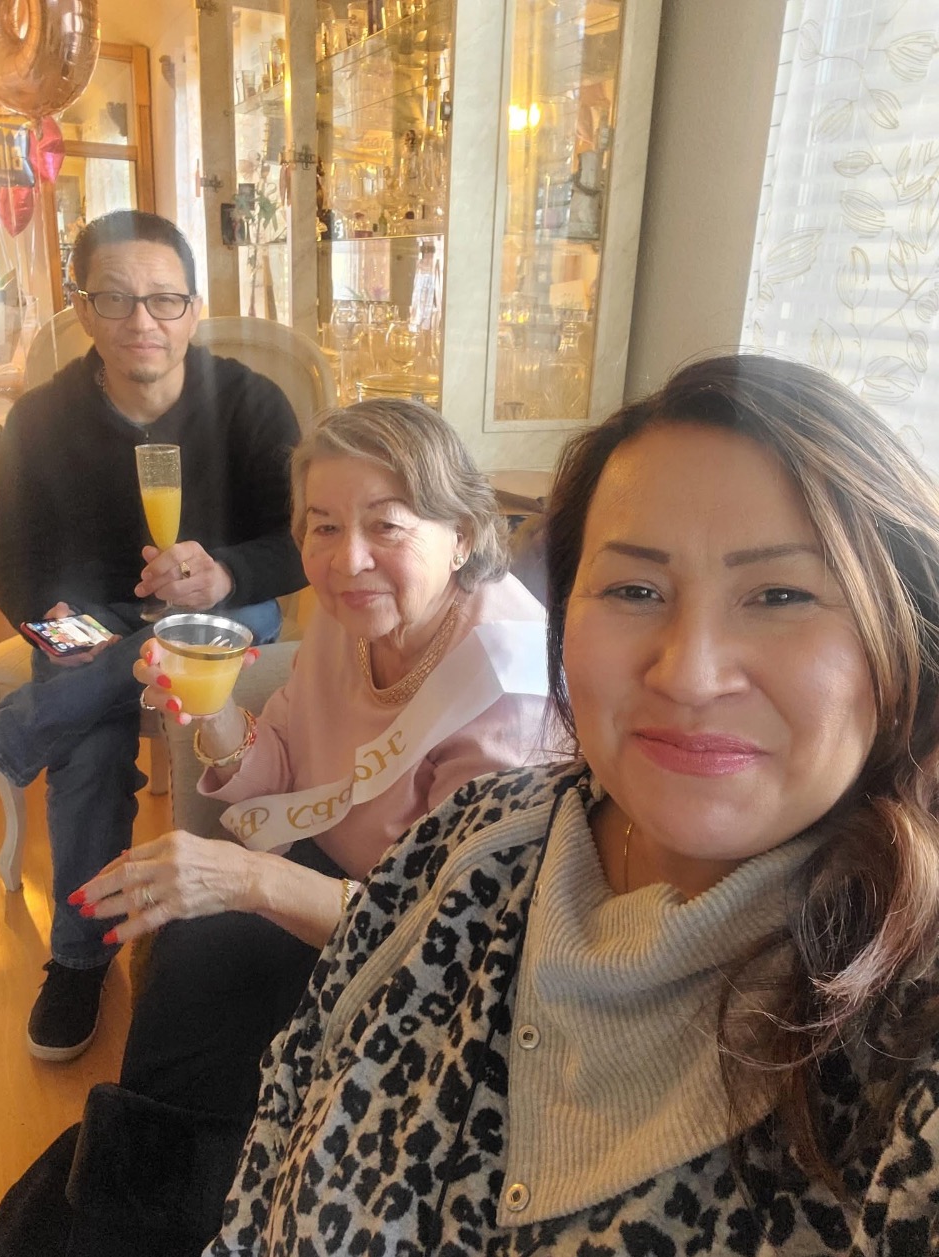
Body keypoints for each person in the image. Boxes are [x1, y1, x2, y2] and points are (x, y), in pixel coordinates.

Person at [203, 353, 939, 1256]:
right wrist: (210, 716)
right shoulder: (481, 833)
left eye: (781, 594)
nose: (690, 674)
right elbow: (299, 1087)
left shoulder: (907, 1040)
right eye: (634, 589)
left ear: (904, 635)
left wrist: (250, 880)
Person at [0, 397, 552, 1257]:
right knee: (188, 960)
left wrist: (248, 879)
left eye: (386, 524)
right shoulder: (352, 616)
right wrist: (210, 712)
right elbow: (280, 756)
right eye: (323, 525)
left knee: (211, 1008)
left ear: (463, 534)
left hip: (423, 969)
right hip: (320, 881)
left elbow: (452, 938)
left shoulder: (507, 693)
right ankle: (125, 1212)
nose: (347, 558)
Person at [0, 210, 305, 1062]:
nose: (142, 321)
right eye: (115, 298)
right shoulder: (41, 419)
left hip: (227, 610)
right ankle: (79, 958)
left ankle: (6, 735)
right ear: (82, 309)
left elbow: (305, 539)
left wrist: (225, 570)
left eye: (165, 299)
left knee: (177, 649)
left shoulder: (250, 405)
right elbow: (8, 557)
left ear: (194, 308)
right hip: (94, 623)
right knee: (88, 748)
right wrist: (52, 623)